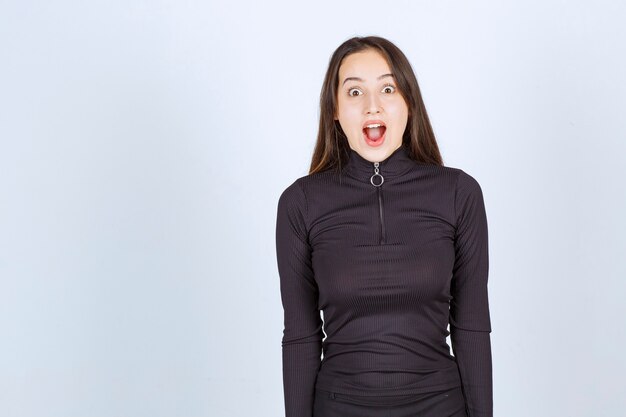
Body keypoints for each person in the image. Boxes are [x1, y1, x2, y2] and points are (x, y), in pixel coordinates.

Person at [275, 35, 493, 417]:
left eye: (388, 89)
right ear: (335, 112)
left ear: (408, 103)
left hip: (440, 407)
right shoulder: (300, 203)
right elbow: (300, 337)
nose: (372, 106)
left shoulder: (459, 194)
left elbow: (472, 327)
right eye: (354, 92)